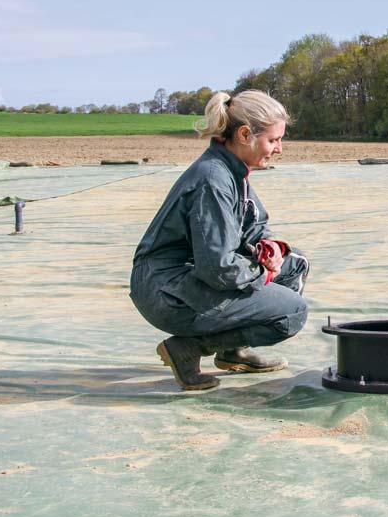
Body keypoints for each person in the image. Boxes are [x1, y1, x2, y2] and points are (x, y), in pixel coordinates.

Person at [130, 90, 310, 391]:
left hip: (185, 279)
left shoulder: (233, 171)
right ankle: (190, 348)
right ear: (244, 134)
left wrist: (273, 250)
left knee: (295, 265)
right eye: (273, 140)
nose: (279, 149)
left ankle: (232, 351)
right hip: (165, 290)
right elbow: (218, 268)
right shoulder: (212, 180)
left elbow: (255, 224)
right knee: (293, 312)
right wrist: (262, 271)